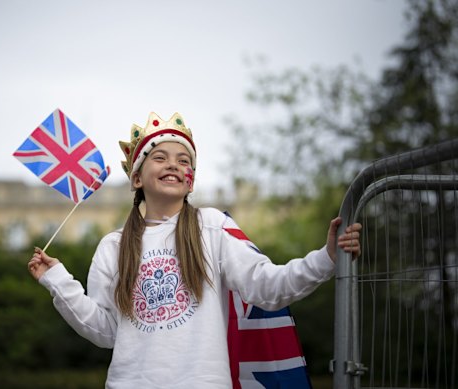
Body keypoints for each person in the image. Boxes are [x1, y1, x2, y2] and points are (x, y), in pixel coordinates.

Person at [28, 112, 362, 388]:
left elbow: (268, 287)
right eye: (159, 157)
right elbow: (105, 331)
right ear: (137, 179)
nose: (173, 164)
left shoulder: (212, 227)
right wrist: (57, 280)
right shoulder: (112, 246)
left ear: (190, 180)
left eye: (183, 160)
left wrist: (326, 256)